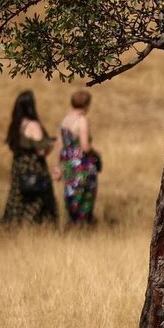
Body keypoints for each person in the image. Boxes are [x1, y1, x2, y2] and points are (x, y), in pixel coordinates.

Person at [1, 91, 58, 226]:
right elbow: (41, 151)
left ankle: (12, 226)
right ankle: (32, 228)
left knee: (17, 198)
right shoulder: (33, 125)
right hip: (34, 168)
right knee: (39, 200)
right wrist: (52, 145)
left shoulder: (16, 124)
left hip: (19, 167)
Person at [58, 89, 101, 226]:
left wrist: (58, 167)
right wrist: (96, 154)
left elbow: (60, 146)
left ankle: (72, 227)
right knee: (85, 200)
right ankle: (82, 230)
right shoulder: (82, 120)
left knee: (72, 199)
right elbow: (85, 146)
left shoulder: (65, 120)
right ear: (86, 104)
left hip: (68, 166)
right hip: (82, 167)